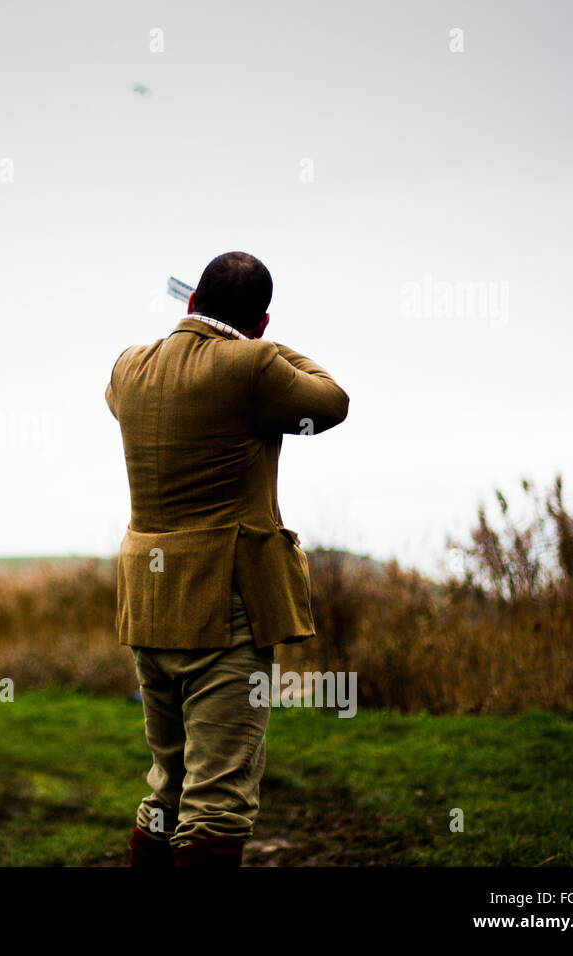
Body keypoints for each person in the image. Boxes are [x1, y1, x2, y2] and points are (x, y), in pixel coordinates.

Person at [104, 251, 349, 867]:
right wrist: (268, 348)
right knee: (217, 803)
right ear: (260, 323)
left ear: (190, 305)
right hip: (223, 609)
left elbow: (159, 385)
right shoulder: (256, 366)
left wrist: (236, 345)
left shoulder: (127, 369)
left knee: (167, 786)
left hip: (149, 607)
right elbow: (332, 402)